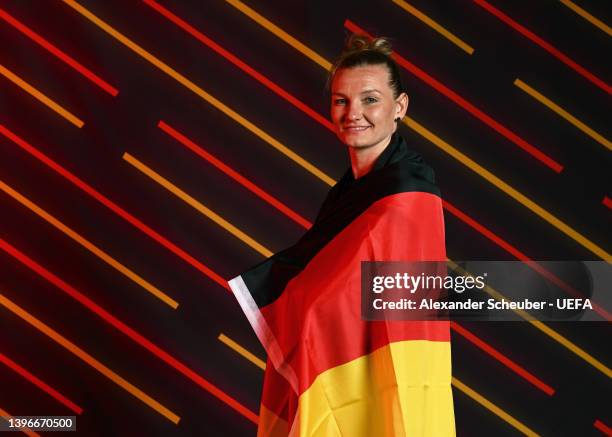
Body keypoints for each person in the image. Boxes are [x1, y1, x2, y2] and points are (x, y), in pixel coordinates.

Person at [229, 34, 455, 436]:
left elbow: (364, 285)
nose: (354, 113)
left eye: (370, 99)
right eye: (341, 101)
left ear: (399, 107)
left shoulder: (409, 185)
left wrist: (302, 308)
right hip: (352, 359)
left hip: (391, 357)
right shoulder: (346, 193)